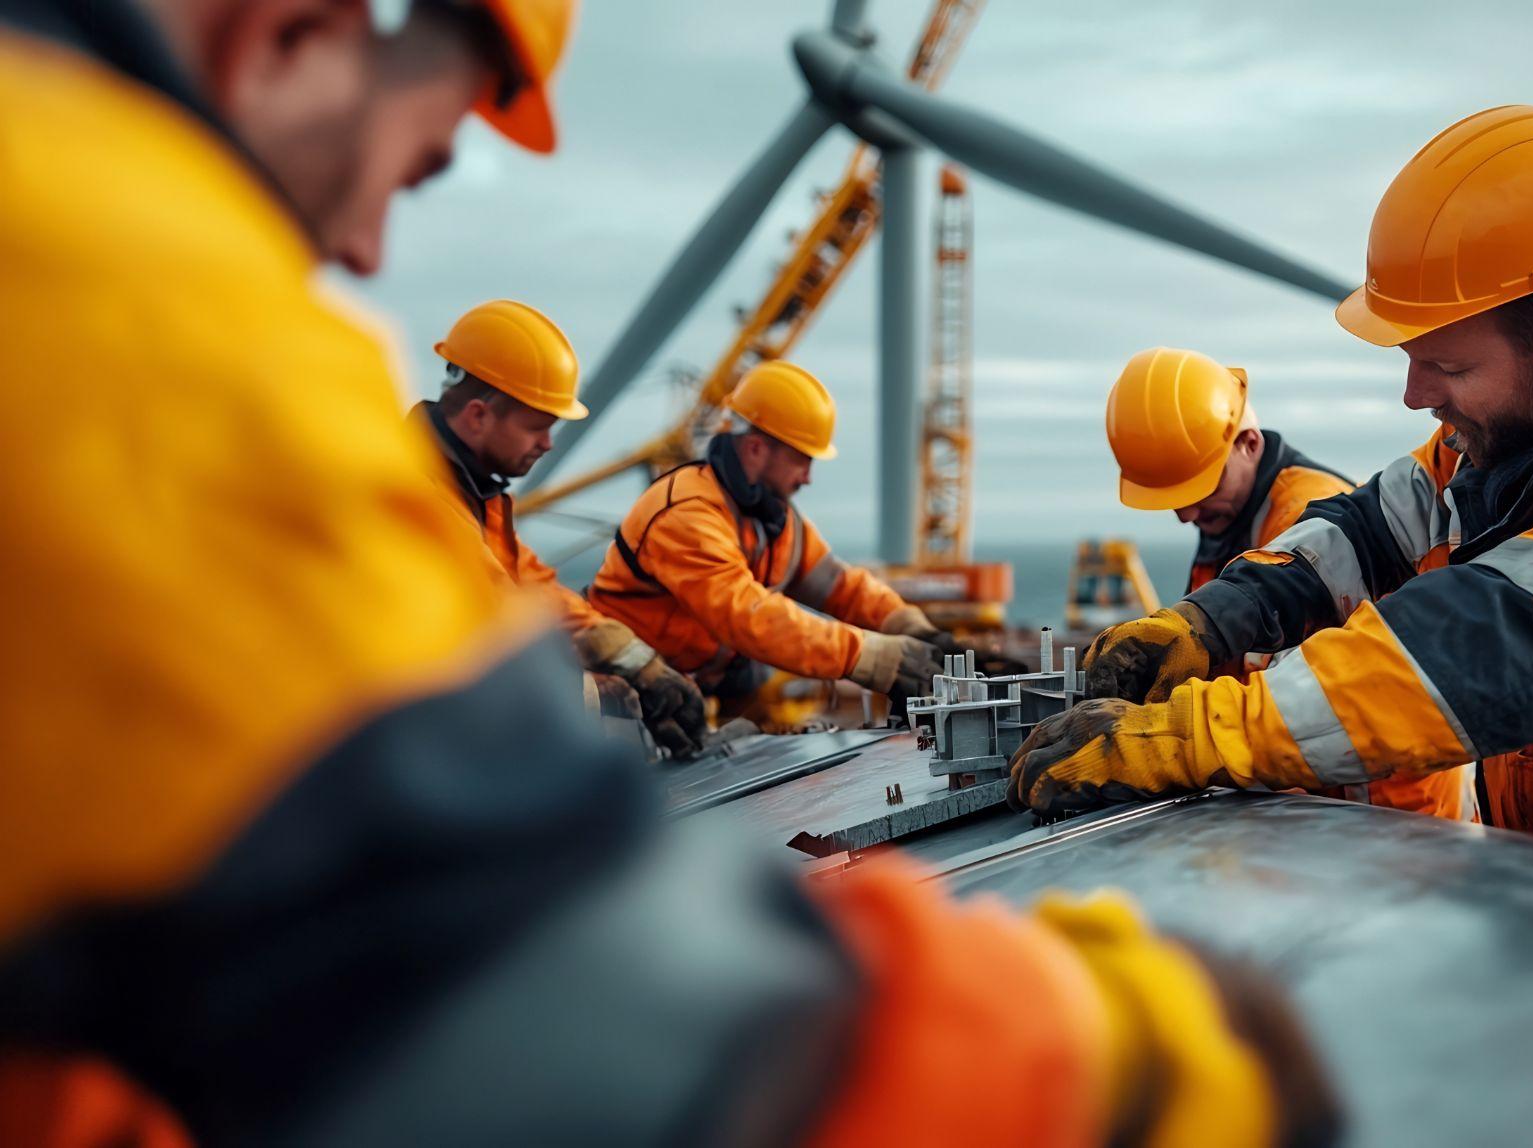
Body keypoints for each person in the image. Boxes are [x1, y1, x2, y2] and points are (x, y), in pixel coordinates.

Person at [0, 1, 1340, 1144]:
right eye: (420, 168)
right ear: (290, 28)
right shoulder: (116, 299)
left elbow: (815, 587)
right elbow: (550, 977)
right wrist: (1120, 1068)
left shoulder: (714, 510)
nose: (360, 258)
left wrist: (923, 637)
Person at [1015, 105, 1533, 898]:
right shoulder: (1509, 444)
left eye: (1447, 367)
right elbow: (1364, 531)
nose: (1416, 395)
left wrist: (1199, 737)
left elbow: (1494, 646)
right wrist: (1215, 621)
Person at [1105, 346, 1470, 821]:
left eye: (1199, 490)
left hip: (1385, 807)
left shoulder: (1301, 511)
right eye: (1174, 499)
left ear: (1249, 444)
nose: (1186, 515)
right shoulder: (1228, 519)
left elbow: (1304, 700)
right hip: (1316, 798)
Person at [417, 298, 706, 756]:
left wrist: (638, 663)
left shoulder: (475, 491)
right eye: (537, 427)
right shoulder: (416, 495)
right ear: (477, 415)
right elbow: (495, 632)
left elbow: (533, 591)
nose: (548, 444)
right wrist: (603, 693)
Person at [590, 361, 951, 715]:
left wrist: (910, 626)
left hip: (685, 693)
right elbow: (748, 615)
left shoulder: (773, 519)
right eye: (801, 460)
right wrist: (867, 657)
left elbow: (840, 586)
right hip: (627, 696)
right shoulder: (685, 513)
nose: (808, 478)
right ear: (756, 448)